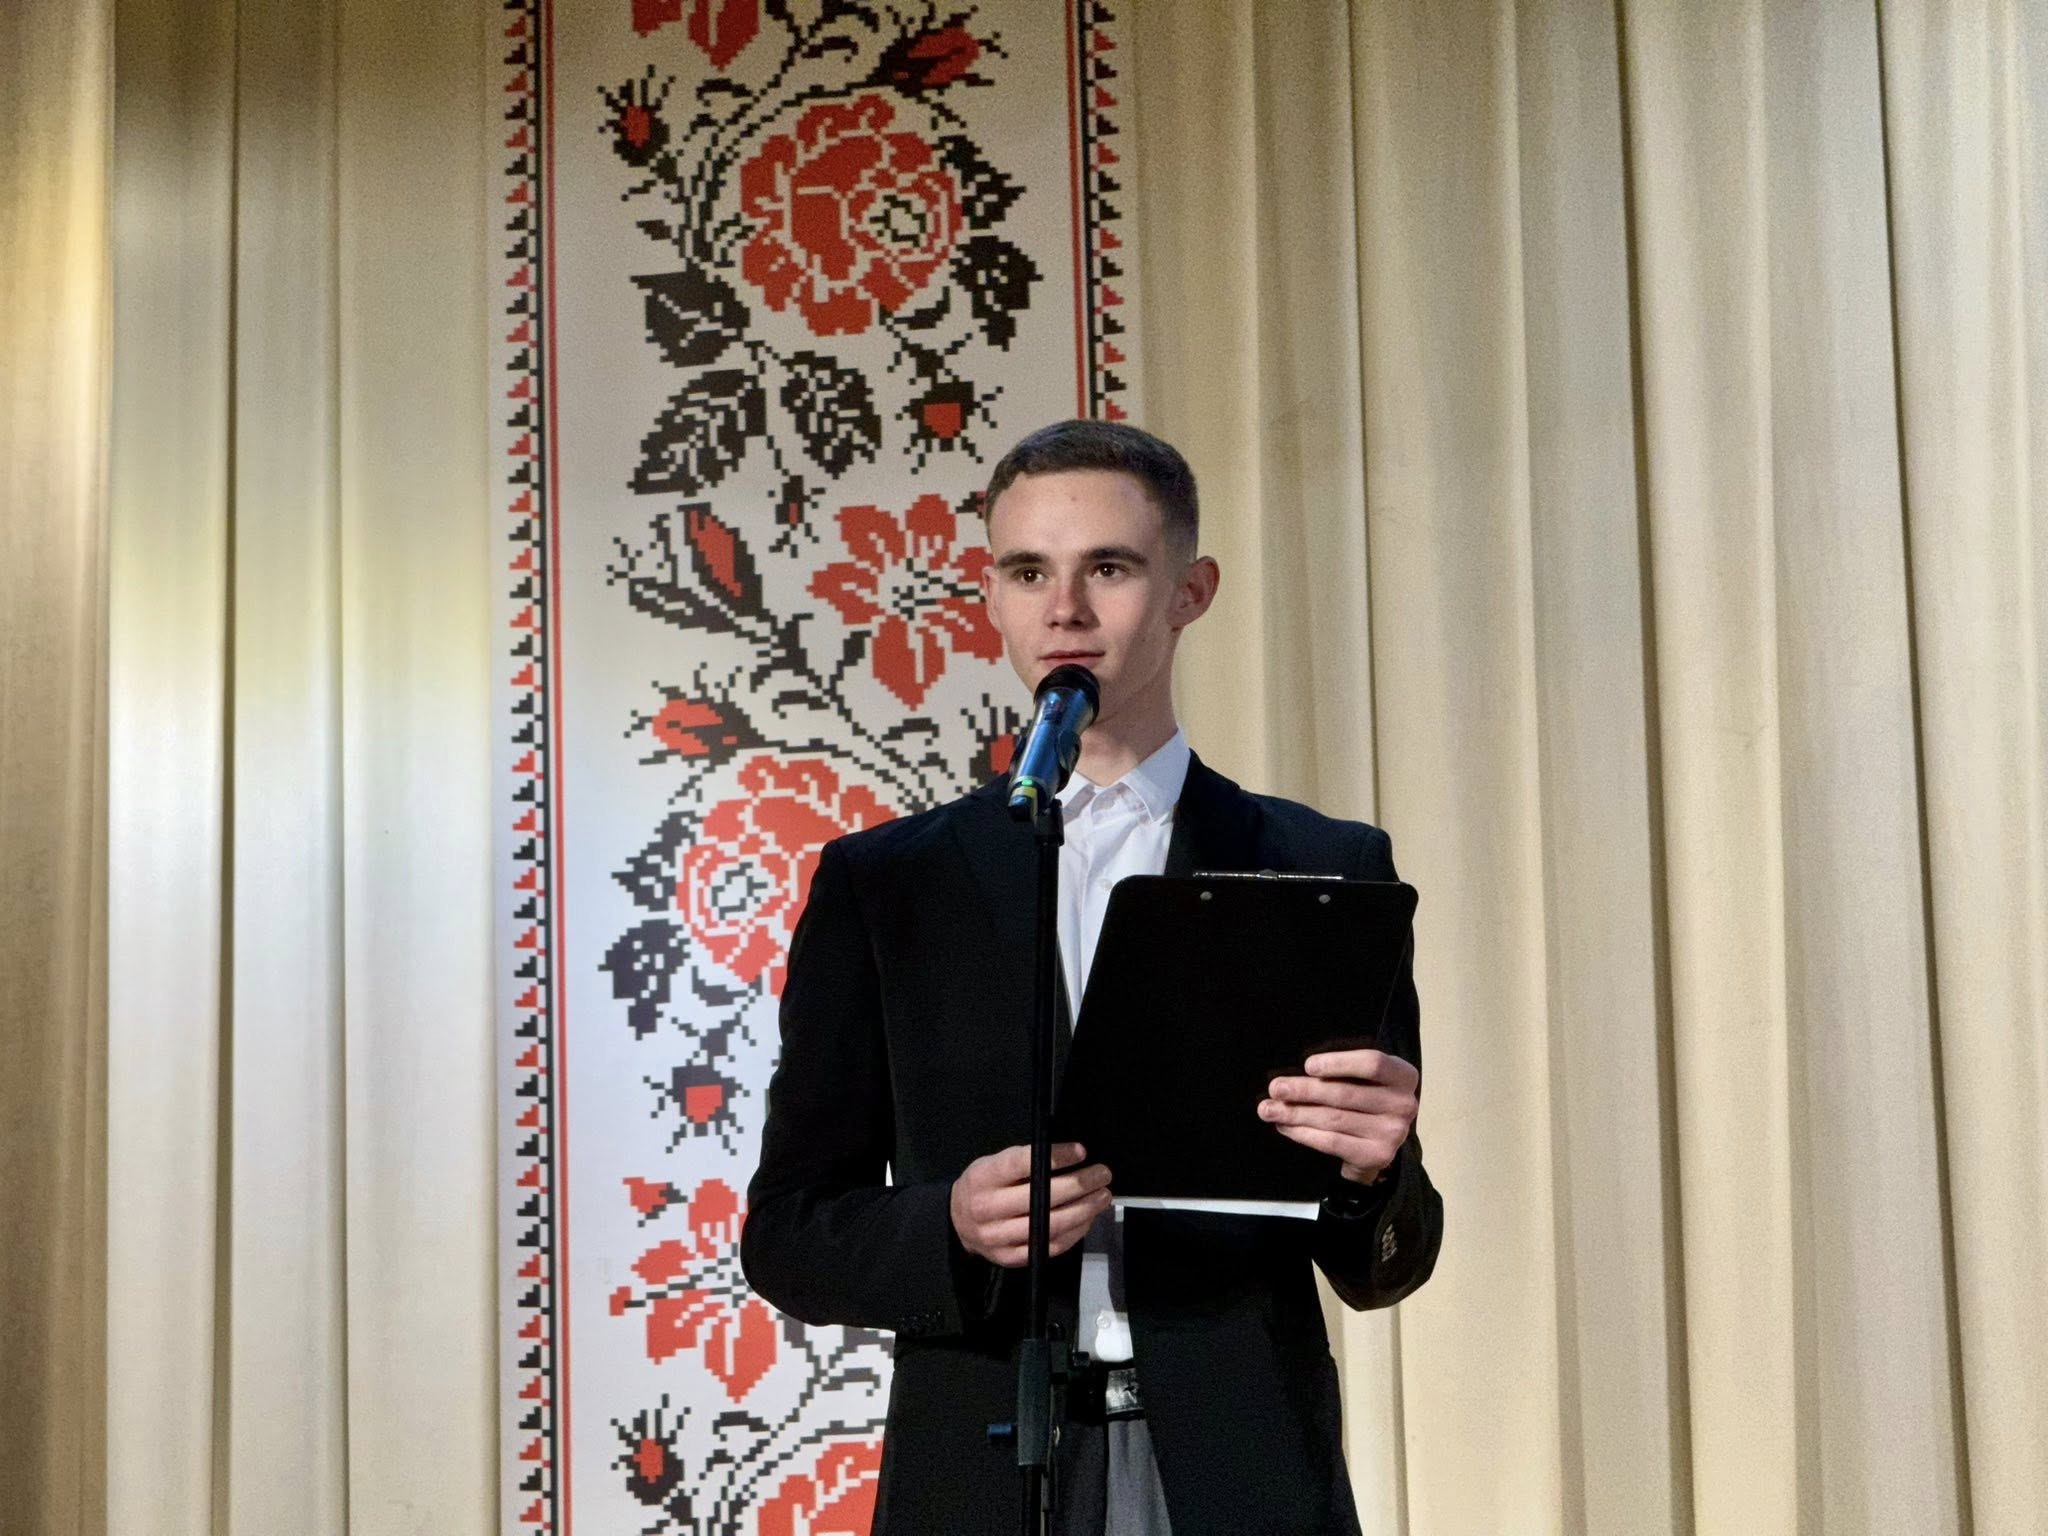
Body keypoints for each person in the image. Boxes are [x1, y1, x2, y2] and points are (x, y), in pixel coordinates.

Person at [742, 420, 1444, 1535]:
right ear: (991, 595)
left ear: (1189, 592)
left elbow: (1382, 1264)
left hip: (1241, 1473)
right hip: (981, 1473)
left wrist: (1373, 1175)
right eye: (1028, 572)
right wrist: (949, 1223)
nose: (1063, 610)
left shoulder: (1323, 865)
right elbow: (789, 1234)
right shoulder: (886, 884)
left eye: (1107, 568)